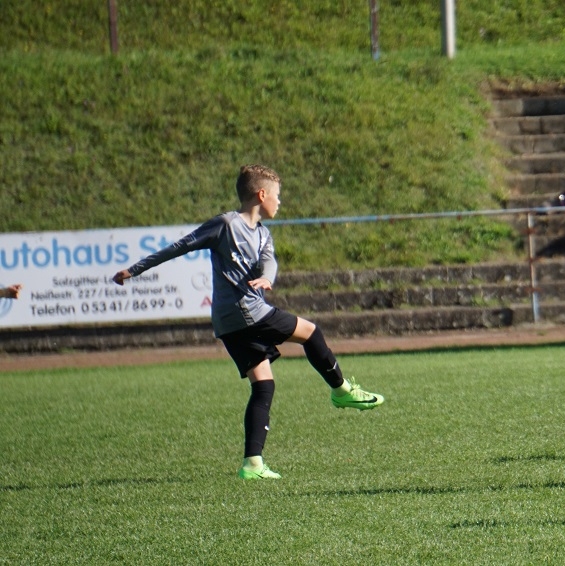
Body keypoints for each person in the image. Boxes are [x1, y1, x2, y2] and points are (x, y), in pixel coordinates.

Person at [111, 164, 384, 481]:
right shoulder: (226, 225)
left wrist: (267, 279)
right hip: (247, 312)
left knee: (264, 384)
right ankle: (342, 390)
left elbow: (269, 263)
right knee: (311, 332)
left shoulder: (263, 234)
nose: (280, 202)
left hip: (228, 323)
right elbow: (180, 246)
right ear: (262, 194)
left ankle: (252, 464)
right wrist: (135, 269)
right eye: (278, 195)